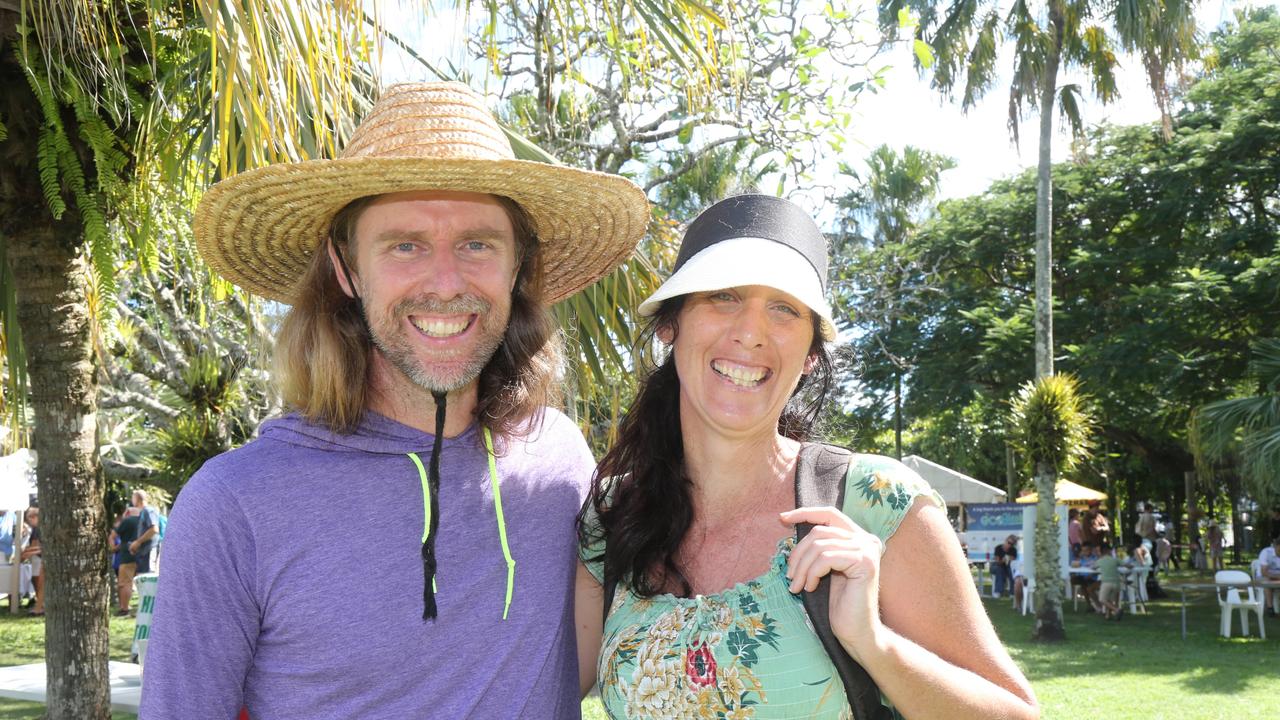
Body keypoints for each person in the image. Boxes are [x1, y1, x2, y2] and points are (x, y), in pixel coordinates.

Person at [140, 82, 648, 719]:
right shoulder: (234, 506)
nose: (444, 282)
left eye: (478, 243)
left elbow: (579, 663)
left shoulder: (558, 461)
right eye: (405, 244)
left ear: (517, 266)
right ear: (347, 267)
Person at [576, 195, 1038, 719]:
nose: (750, 332)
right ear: (670, 325)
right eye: (723, 296)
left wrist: (873, 643)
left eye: (784, 309)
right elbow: (528, 680)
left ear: (811, 355)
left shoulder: (877, 503)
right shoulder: (613, 518)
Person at [111, 506, 142, 616]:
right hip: (142, 555)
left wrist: (113, 548)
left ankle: (124, 608)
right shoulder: (143, 520)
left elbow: (113, 535)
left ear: (128, 512)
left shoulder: (127, 521)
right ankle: (142, 609)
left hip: (127, 556)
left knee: (124, 583)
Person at [128, 490, 161, 576]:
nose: (132, 500)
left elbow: (154, 529)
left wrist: (138, 542)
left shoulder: (148, 510)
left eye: (133, 497)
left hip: (150, 551)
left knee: (149, 578)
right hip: (143, 553)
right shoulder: (142, 512)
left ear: (137, 499)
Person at [19, 507, 43, 616]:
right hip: (39, 557)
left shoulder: (38, 528)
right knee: (37, 582)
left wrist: (24, 555)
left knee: (40, 583)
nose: (28, 521)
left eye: (29, 518)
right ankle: (40, 605)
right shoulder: (37, 528)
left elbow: (36, 546)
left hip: (41, 558)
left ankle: (40, 607)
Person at [1095, 540, 1121, 620]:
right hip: (1117, 583)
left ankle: (1116, 610)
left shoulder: (1100, 561)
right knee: (1109, 599)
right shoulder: (1115, 560)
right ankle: (1108, 615)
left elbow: (1093, 567)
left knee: (1102, 599)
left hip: (1106, 583)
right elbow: (1127, 565)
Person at [1257, 535, 1280, 617]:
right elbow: (1264, 572)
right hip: (1264, 577)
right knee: (1267, 581)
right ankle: (1270, 608)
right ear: (1276, 546)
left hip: (1277, 577)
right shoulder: (1266, 552)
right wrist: (1277, 577)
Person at [992, 534, 1019, 599]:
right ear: (1006, 540)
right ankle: (998, 591)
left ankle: (1012, 592)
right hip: (997, 566)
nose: (1009, 545)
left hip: (1008, 567)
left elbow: (1013, 562)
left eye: (1012, 544)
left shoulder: (1013, 550)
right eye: (1008, 542)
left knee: (1012, 572)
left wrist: (1010, 559)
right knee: (1000, 570)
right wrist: (1003, 560)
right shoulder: (998, 548)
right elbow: (997, 562)